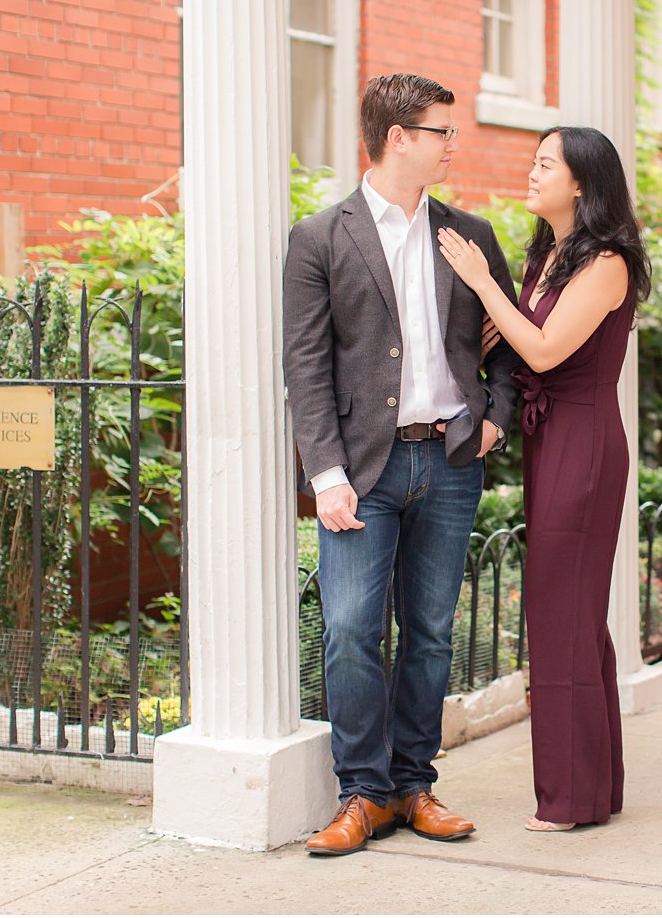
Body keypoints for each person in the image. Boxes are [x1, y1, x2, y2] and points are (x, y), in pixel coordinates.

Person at [283, 73, 521, 857]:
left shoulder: (471, 235)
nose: (454, 144)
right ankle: (362, 793)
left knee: (429, 631)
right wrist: (325, 475)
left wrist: (492, 420)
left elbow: (511, 344)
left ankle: (415, 784)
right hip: (363, 471)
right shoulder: (321, 237)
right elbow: (307, 367)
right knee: (351, 629)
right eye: (442, 131)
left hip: (449, 460)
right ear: (397, 138)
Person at [436, 125, 651, 832]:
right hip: (550, 438)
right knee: (574, 619)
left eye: (544, 164)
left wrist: (481, 283)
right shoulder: (552, 255)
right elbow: (523, 339)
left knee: (563, 617)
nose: (531, 173)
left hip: (585, 444)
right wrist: (499, 313)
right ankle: (596, 785)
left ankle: (569, 799)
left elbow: (546, 347)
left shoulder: (609, 262)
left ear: (582, 182)